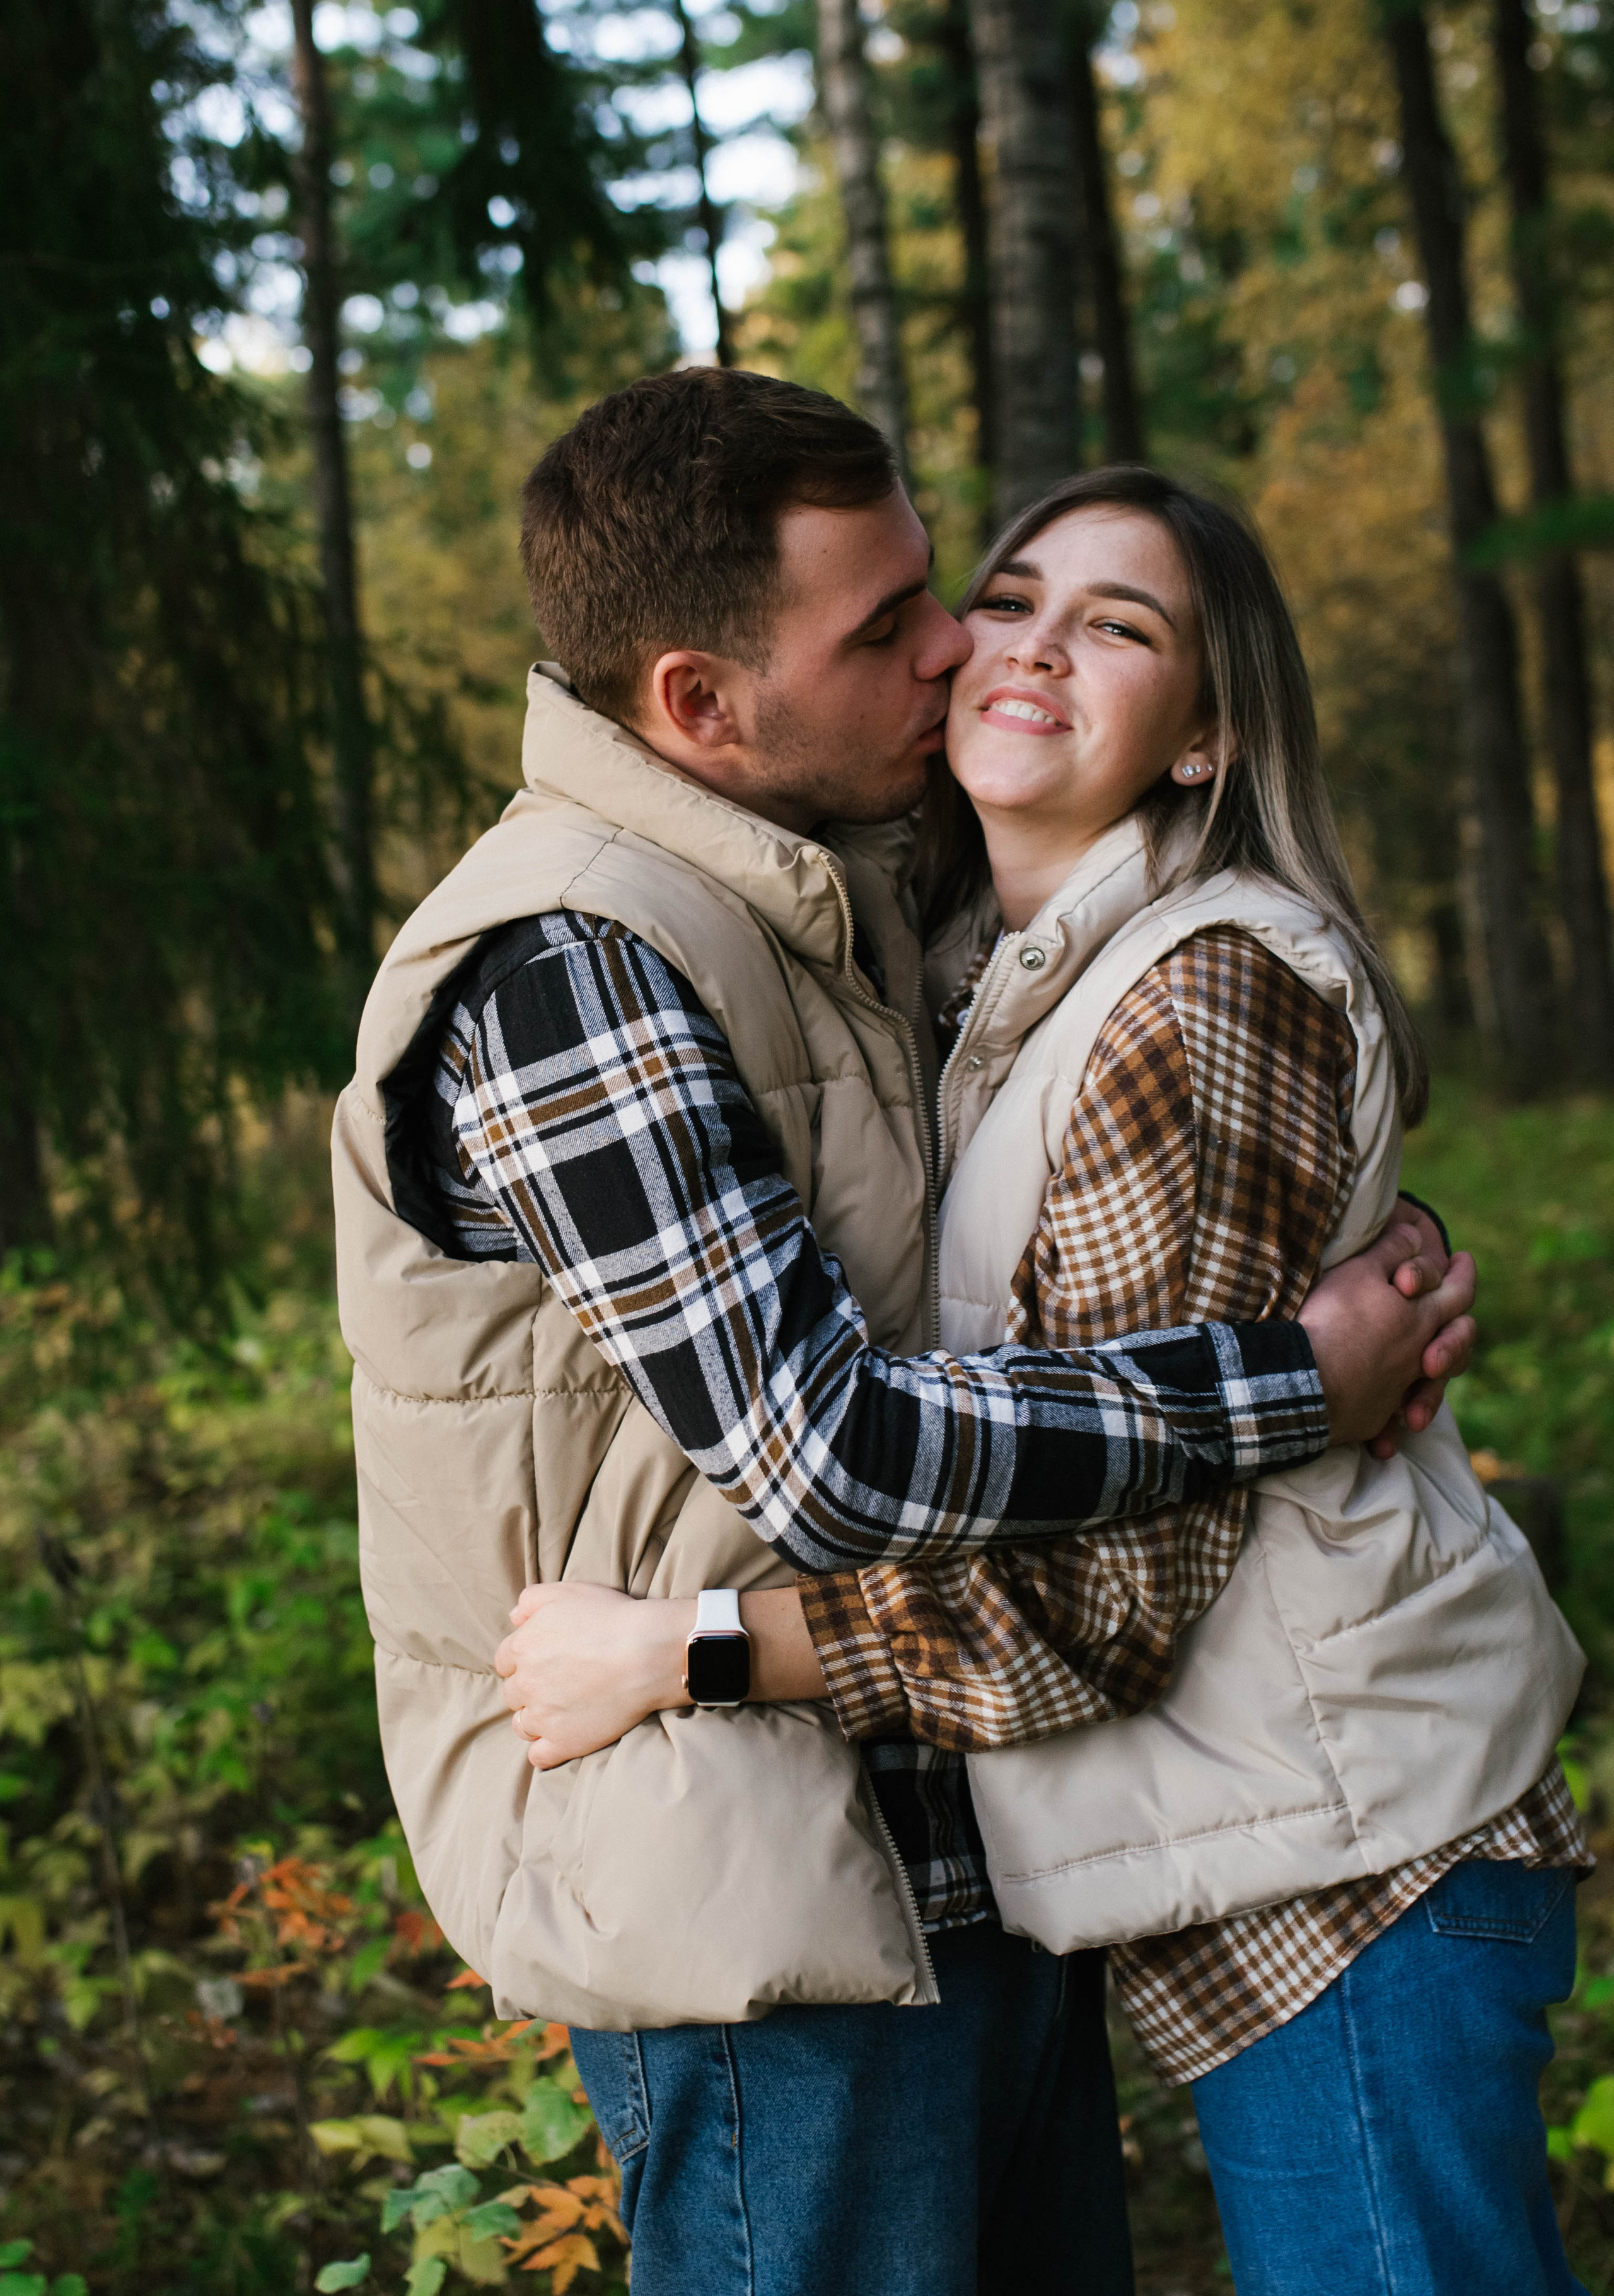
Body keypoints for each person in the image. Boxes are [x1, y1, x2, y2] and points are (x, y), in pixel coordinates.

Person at [333, 370, 1475, 2296]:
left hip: (963, 1842)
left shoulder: (829, 892)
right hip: (759, 1916)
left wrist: (1342, 1208)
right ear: (700, 702)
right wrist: (1295, 1380)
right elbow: (828, 1453)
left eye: (942, 585)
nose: (957, 650)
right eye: (891, 627)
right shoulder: (570, 969)